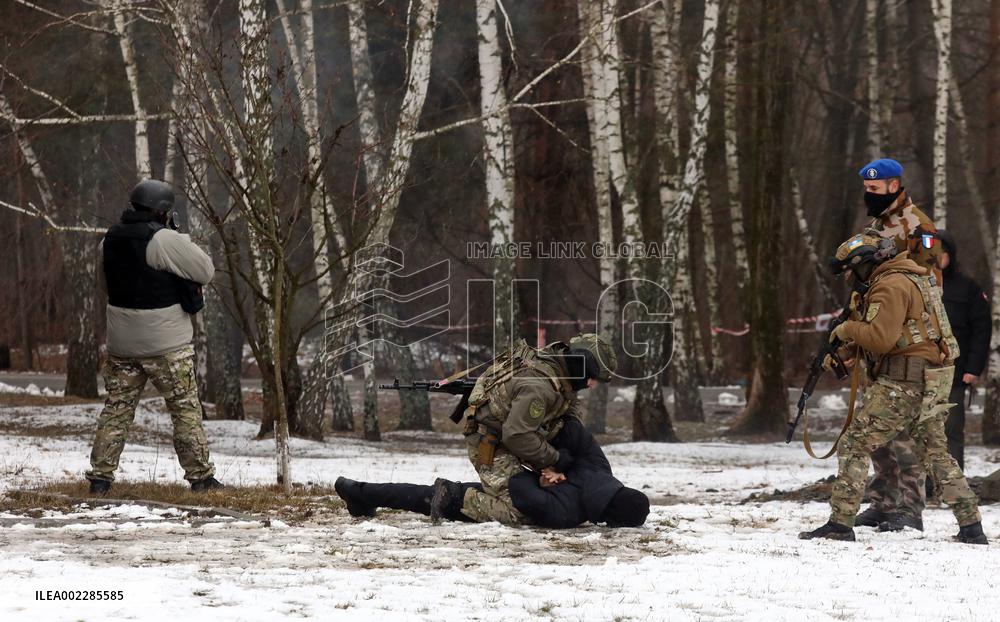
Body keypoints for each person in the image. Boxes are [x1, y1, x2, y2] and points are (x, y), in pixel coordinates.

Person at [799, 232, 986, 545]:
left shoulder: (890, 284)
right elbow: (896, 338)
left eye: (851, 270)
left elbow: (881, 338)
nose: (849, 277)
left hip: (905, 381)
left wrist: (845, 329)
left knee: (855, 441)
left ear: (864, 264)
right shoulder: (910, 277)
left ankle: (840, 523)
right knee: (936, 453)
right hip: (928, 378)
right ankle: (971, 526)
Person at [85, 179, 222, 495]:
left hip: (121, 342)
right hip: (166, 344)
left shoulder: (108, 241)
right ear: (163, 212)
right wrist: (178, 236)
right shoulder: (162, 240)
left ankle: (100, 479)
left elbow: (104, 283)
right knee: (184, 408)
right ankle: (201, 478)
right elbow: (205, 270)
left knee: (116, 409)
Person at [334, 418, 650, 528]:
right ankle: (360, 493)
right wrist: (550, 466)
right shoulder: (569, 513)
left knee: (425, 495)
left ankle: (360, 493)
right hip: (502, 503)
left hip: (504, 497)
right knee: (423, 496)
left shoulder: (601, 472)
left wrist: (553, 467)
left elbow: (578, 436)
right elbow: (526, 495)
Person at [855, 158, 941, 533]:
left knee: (904, 430)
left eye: (875, 189)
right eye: (866, 189)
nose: (868, 194)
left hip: (908, 339)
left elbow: (930, 283)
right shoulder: (876, 225)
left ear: (894, 185)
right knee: (874, 427)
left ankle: (909, 505)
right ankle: (881, 502)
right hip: (878, 332)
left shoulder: (917, 225)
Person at [936, 230, 991, 470]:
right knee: (919, 429)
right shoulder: (916, 284)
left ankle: (953, 484)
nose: (936, 259)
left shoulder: (967, 287)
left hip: (955, 371)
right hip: (919, 370)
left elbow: (981, 329)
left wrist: (973, 368)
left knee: (951, 428)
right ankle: (922, 485)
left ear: (951, 255)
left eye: (941, 254)